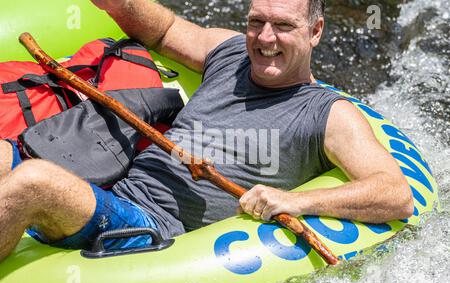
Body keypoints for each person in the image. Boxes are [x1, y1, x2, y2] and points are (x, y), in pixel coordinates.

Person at [0, 0, 414, 262]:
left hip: (149, 229)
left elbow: (394, 194)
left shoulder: (327, 114)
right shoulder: (232, 53)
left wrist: (294, 200)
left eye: (283, 26)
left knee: (34, 182)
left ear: (316, 31)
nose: (265, 38)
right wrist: (120, 4)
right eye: (257, 22)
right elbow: (164, 31)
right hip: (113, 187)